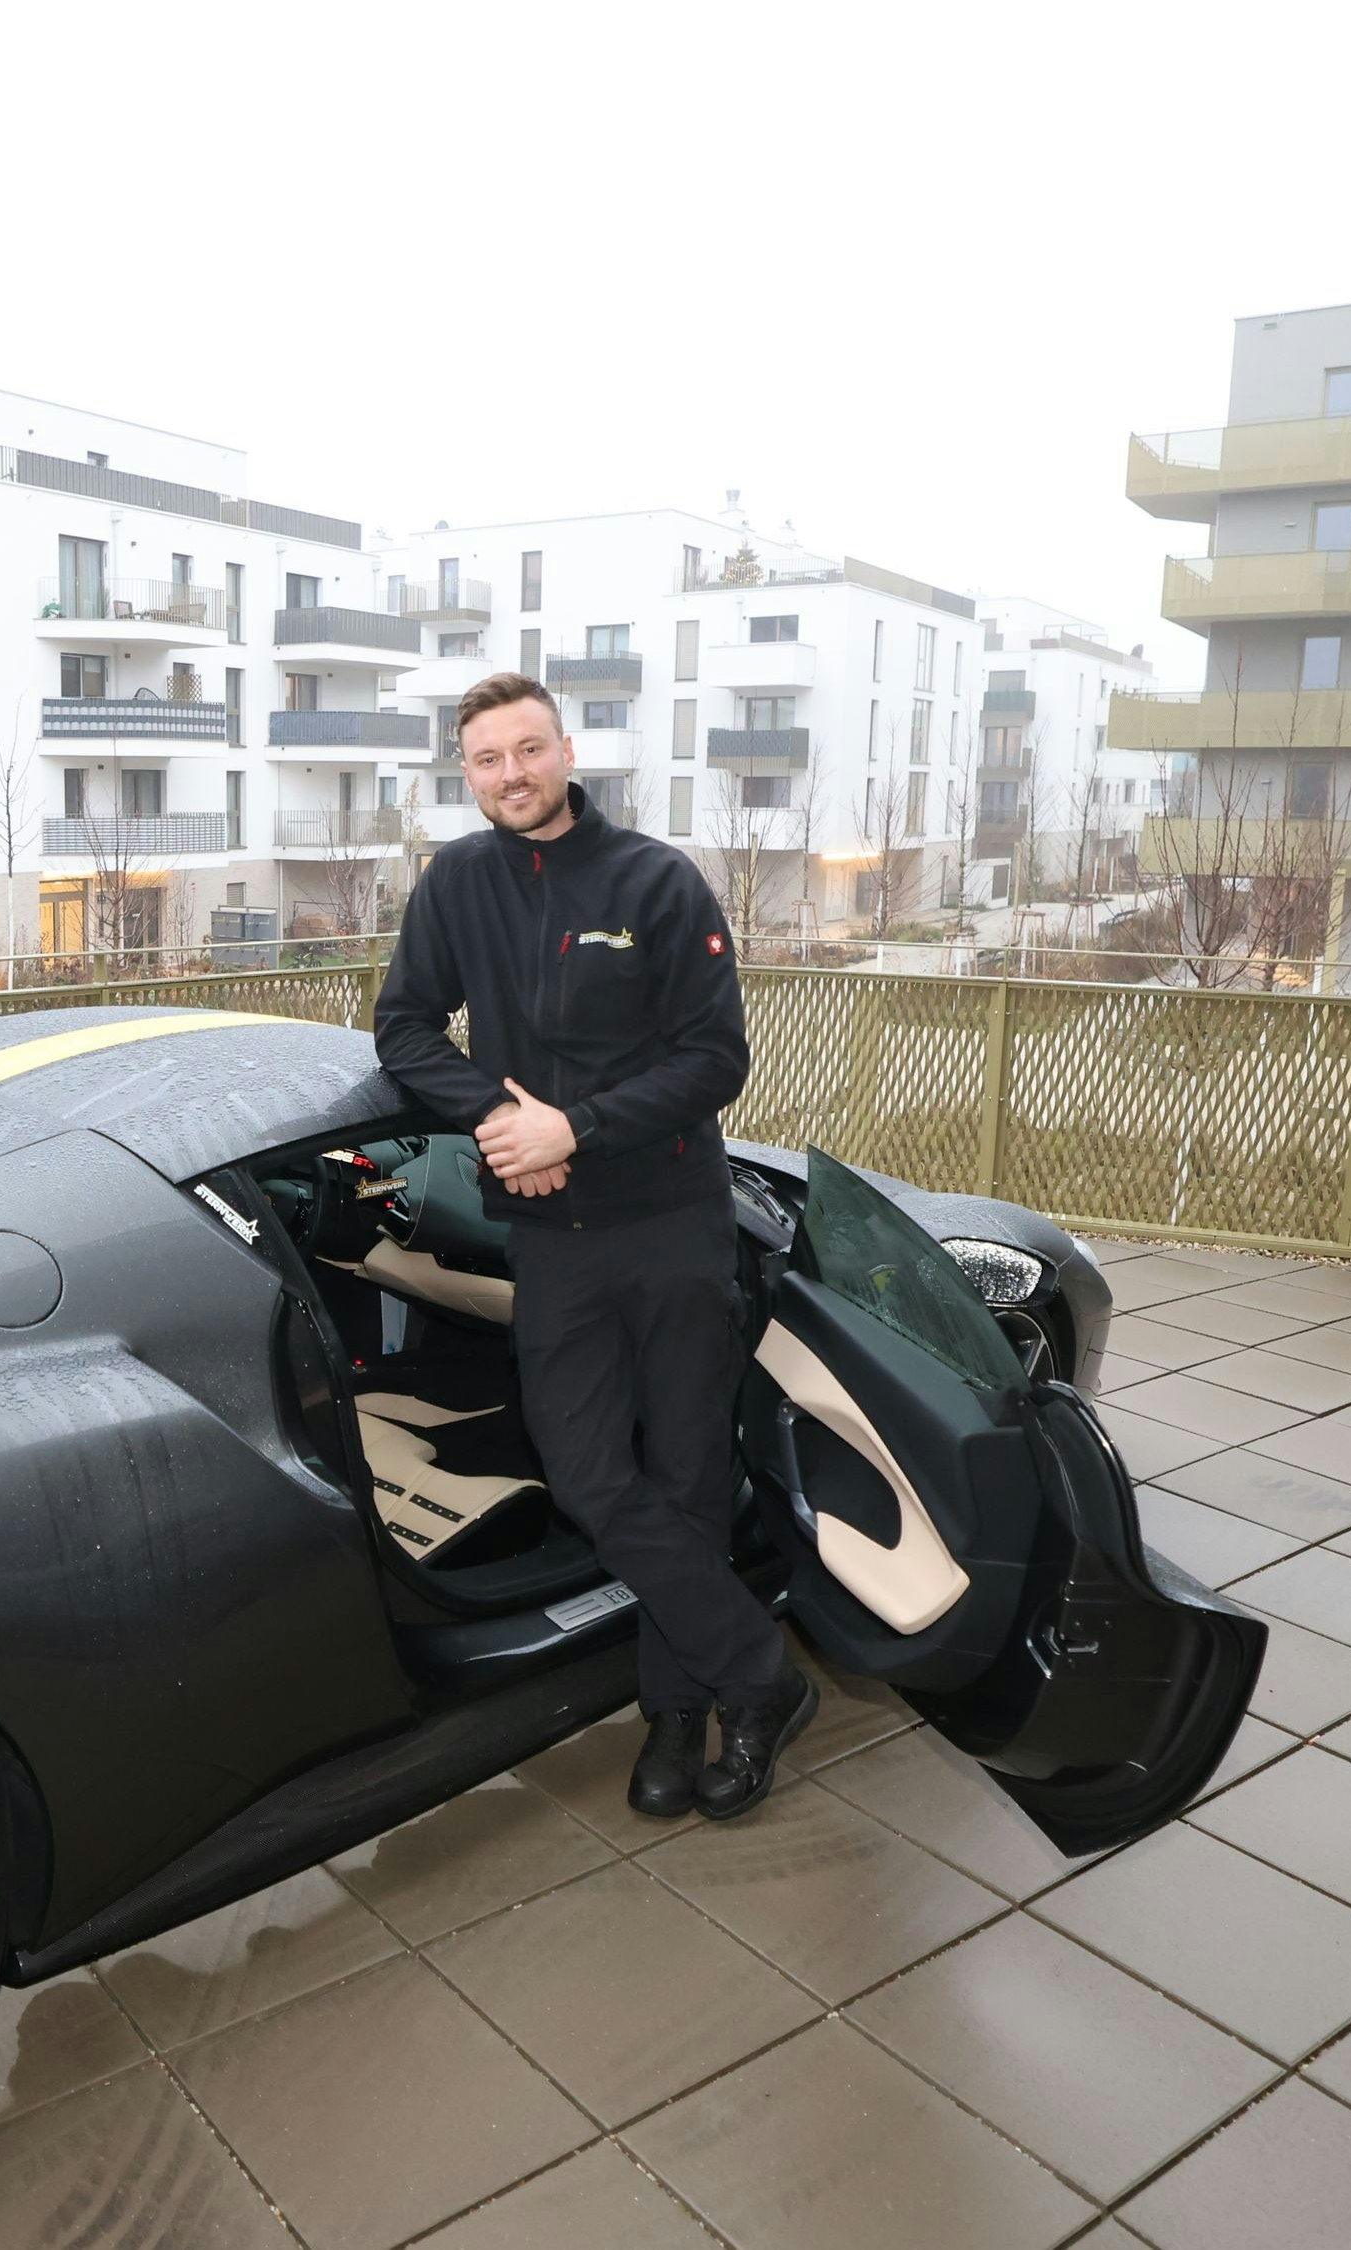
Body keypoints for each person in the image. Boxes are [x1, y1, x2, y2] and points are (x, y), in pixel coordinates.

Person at [371, 673, 812, 1821]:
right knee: (586, 1473)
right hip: (552, 1234)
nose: (509, 775)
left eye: (527, 749)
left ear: (566, 751)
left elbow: (715, 1059)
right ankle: (759, 1674)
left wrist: (579, 1125)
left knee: (686, 1472)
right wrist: (501, 1120)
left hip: (669, 1222)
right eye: (485, 760)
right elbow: (404, 1027)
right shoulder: (457, 883)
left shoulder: (653, 881)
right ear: (465, 773)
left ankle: (676, 1710)